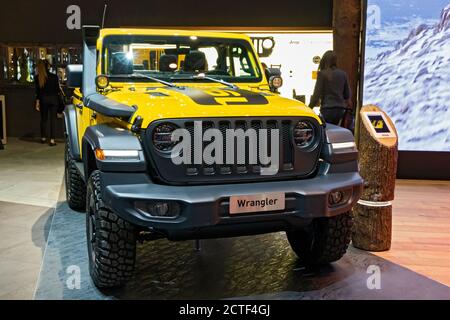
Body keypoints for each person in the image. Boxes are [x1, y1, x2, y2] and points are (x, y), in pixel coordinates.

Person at [309, 51, 351, 126]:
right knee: (337, 132)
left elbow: (316, 94)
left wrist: (309, 107)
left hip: (327, 109)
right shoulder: (343, 74)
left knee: (327, 131)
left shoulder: (322, 74)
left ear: (324, 60)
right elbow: (347, 95)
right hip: (340, 110)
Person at [35, 60, 60, 146]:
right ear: (48, 66)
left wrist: (37, 102)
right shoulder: (54, 77)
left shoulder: (38, 77)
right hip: (53, 99)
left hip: (43, 100)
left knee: (43, 119)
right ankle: (52, 140)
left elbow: (38, 92)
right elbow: (57, 90)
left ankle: (43, 138)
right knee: (53, 120)